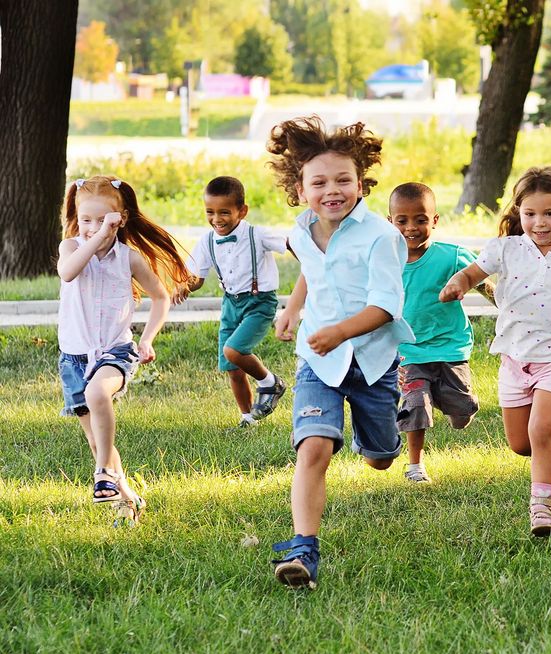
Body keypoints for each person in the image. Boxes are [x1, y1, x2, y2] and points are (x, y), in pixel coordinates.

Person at [266, 116, 413, 589]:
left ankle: (375, 439)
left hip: (371, 361)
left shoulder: (382, 237)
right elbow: (315, 269)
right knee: (313, 449)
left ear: (361, 183)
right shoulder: (302, 230)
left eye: (344, 180)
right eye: (319, 182)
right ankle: (304, 549)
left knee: (382, 457)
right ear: (299, 187)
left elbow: (386, 307)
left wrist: (339, 332)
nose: (333, 190)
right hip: (319, 362)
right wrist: (293, 308)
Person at [440, 166, 551, 536]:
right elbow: (472, 274)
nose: (540, 222)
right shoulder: (506, 249)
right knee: (521, 444)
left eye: (550, 213)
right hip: (515, 360)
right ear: (518, 213)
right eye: (530, 213)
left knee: (540, 427)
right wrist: (458, 283)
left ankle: (542, 510)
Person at [56, 176, 191, 525]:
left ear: (121, 219)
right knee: (94, 438)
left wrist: (147, 339)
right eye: (85, 219)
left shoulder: (128, 258)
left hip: (115, 351)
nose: (92, 228)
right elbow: (69, 273)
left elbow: (161, 298)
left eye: (102, 220)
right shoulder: (70, 248)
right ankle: (126, 497)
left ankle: (102, 470)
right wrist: (97, 236)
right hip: (74, 356)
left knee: (97, 392)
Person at [388, 182, 491, 483]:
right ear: (389, 222)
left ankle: (452, 402)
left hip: (449, 348)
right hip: (410, 351)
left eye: (421, 219)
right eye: (402, 220)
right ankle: (415, 466)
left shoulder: (451, 255)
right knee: (415, 404)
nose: (411, 227)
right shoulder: (384, 263)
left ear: (434, 220)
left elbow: (482, 282)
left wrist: (508, 306)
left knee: (461, 415)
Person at [174, 176, 288, 427]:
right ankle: (248, 417)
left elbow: (289, 243)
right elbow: (197, 278)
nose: (217, 219)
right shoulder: (207, 241)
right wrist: (184, 286)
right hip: (230, 304)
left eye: (224, 212)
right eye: (210, 212)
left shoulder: (256, 235)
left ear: (242, 210)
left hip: (259, 303)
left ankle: (270, 383)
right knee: (232, 367)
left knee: (234, 350)